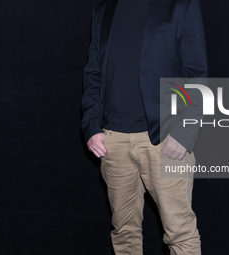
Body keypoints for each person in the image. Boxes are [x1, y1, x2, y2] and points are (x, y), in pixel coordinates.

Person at [81, 0, 208, 254]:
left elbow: (197, 75)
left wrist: (184, 132)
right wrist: (91, 126)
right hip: (112, 142)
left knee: (180, 234)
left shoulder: (180, 5)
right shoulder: (103, 9)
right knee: (124, 233)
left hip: (164, 140)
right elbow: (93, 73)